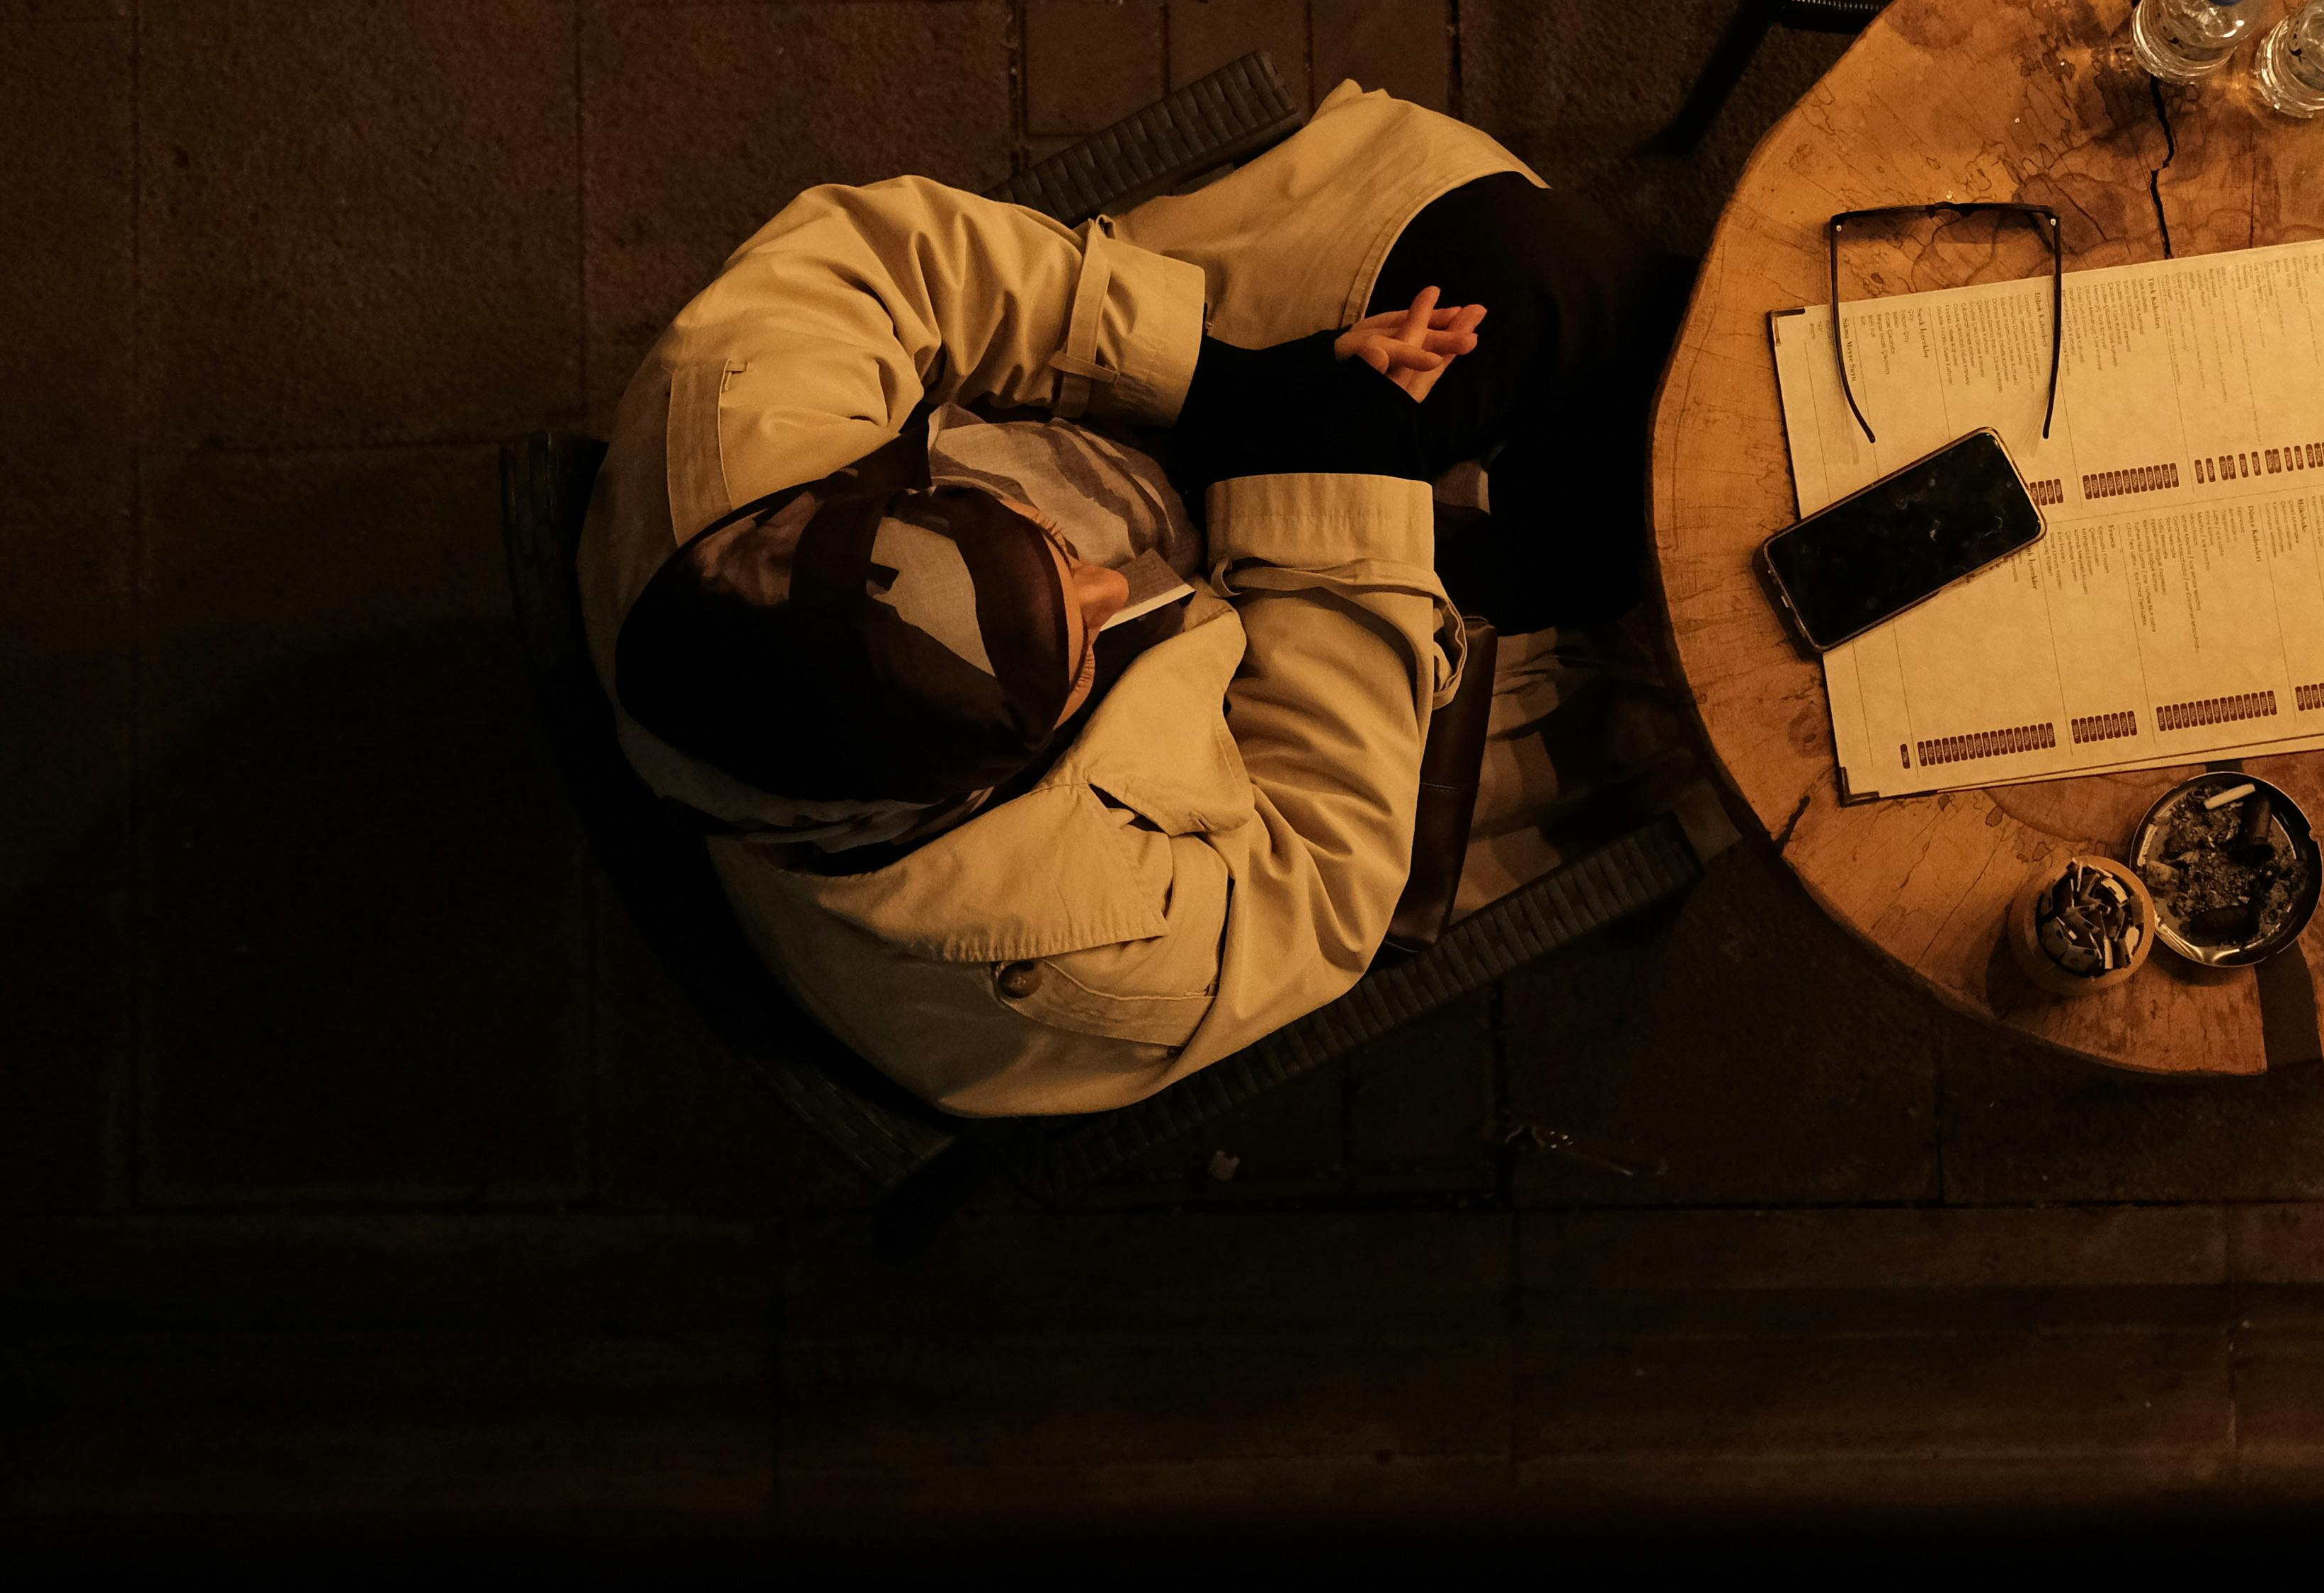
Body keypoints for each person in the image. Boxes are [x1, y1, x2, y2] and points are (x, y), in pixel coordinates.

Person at [577, 81, 1685, 1117]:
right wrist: (1337, 489)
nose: (1118, 584)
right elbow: (1315, 879)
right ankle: (1605, 560)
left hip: (1149, 433)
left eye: (1045, 543)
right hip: (1269, 685)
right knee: (1625, 633)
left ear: (880, 498)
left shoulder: (733, 454)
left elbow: (892, 266)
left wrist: (1220, 386)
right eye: (1078, 644)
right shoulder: (1054, 940)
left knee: (1542, 271)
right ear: (977, 794)